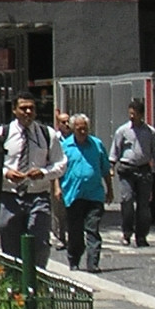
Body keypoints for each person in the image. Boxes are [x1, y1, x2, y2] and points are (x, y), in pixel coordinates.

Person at [0, 93, 64, 269]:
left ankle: (37, 281)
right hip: (9, 196)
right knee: (10, 246)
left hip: (38, 196)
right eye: (23, 108)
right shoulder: (2, 134)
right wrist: (6, 173)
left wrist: (43, 173)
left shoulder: (47, 134)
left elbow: (61, 163)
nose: (27, 112)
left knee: (40, 243)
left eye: (31, 108)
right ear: (14, 110)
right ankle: (15, 286)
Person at [57, 112, 109, 273]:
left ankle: (93, 263)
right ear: (73, 129)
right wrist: (57, 188)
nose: (82, 132)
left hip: (94, 195)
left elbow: (105, 169)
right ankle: (73, 259)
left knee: (93, 229)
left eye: (85, 129)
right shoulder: (65, 147)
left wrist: (110, 189)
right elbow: (57, 170)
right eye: (79, 129)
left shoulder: (97, 145)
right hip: (73, 195)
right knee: (75, 231)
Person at [109, 99, 155, 247]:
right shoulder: (122, 131)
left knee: (144, 206)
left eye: (135, 114)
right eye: (130, 113)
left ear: (141, 114)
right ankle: (126, 232)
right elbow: (115, 151)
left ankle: (142, 235)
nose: (132, 116)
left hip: (144, 170)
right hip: (127, 169)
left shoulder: (150, 132)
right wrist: (112, 166)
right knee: (127, 200)